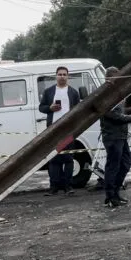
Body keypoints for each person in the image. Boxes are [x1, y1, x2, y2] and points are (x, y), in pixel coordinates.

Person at [101, 67, 131, 207]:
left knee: (125, 163)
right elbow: (112, 115)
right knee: (113, 166)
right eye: (118, 77)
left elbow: (122, 112)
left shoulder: (117, 94)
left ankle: (116, 192)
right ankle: (110, 196)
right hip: (112, 136)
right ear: (110, 78)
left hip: (121, 136)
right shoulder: (104, 94)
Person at [39, 66, 81, 196]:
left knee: (68, 158)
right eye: (60, 74)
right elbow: (41, 108)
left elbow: (77, 110)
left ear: (68, 76)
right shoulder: (49, 91)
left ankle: (68, 186)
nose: (62, 76)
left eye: (64, 74)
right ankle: (54, 187)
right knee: (53, 159)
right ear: (55, 76)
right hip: (53, 131)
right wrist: (50, 108)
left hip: (68, 131)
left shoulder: (73, 92)